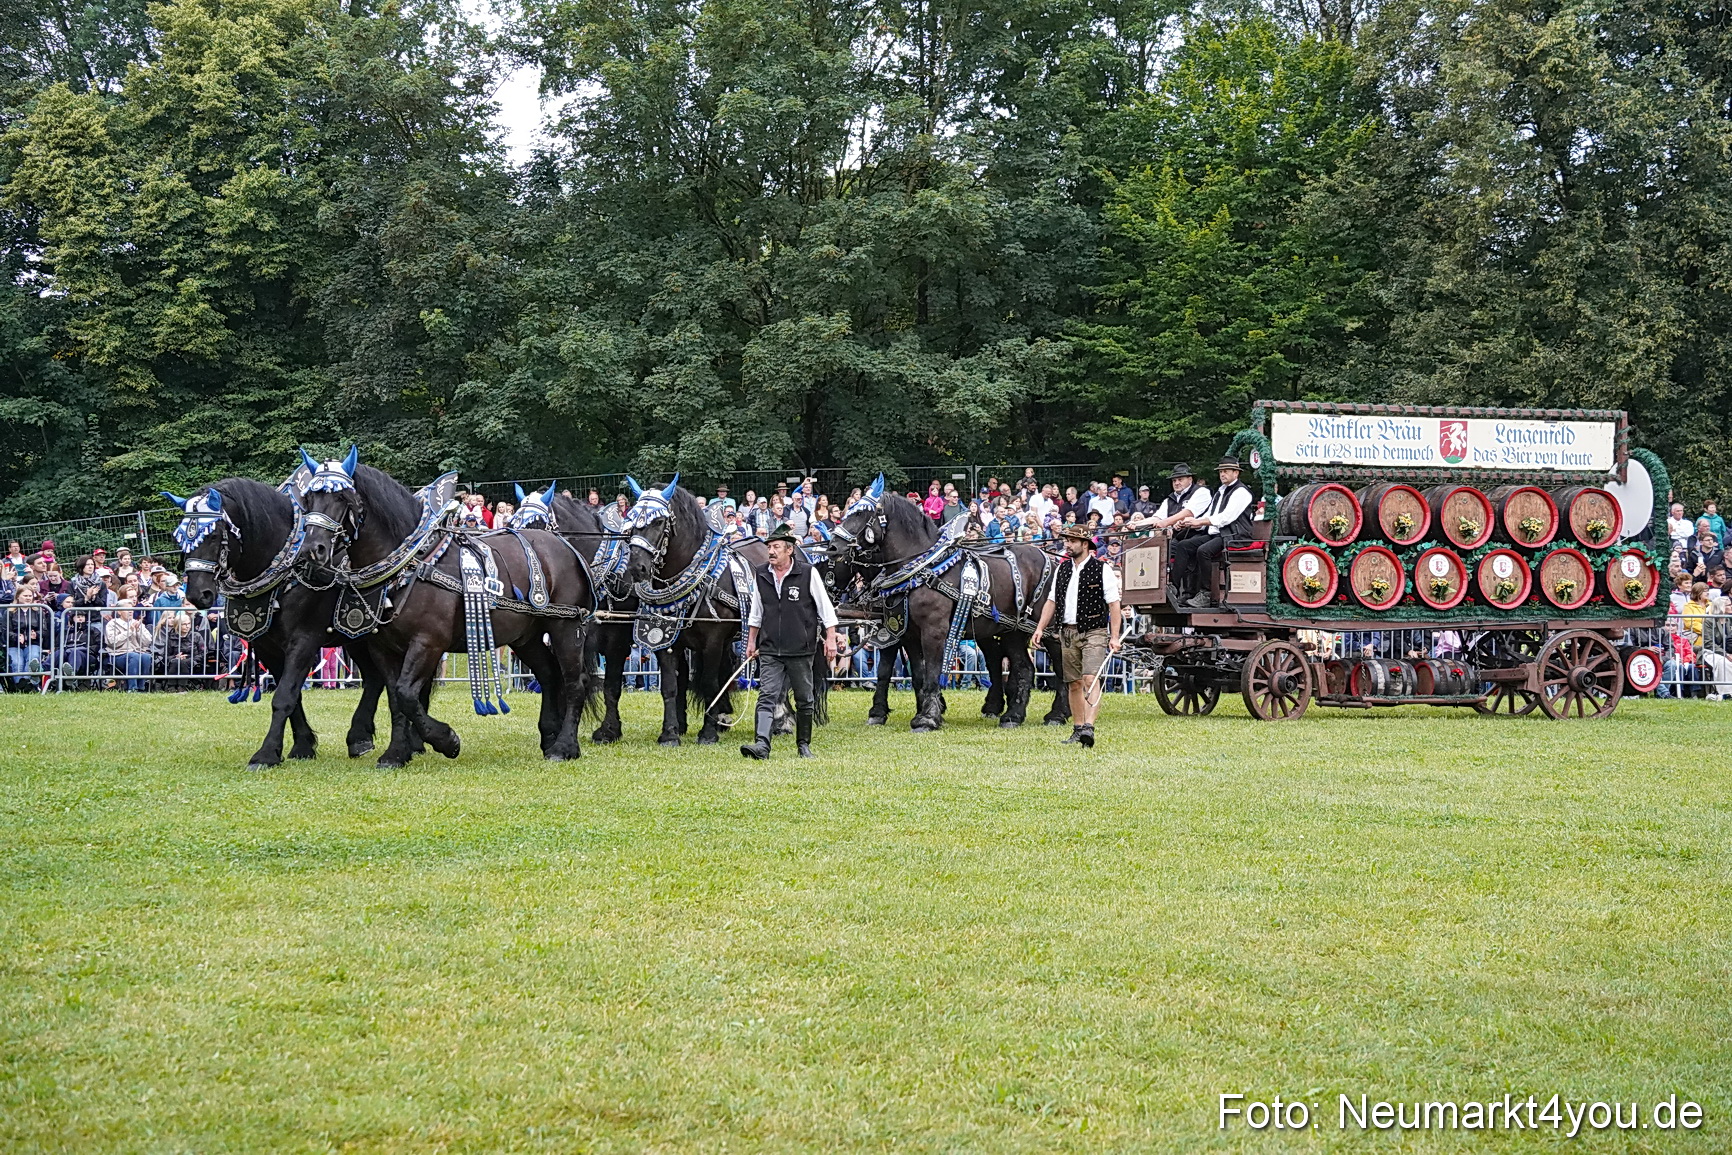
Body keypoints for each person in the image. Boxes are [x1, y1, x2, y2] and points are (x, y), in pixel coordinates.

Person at [741, 524, 839, 760]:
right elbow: (757, 611)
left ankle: (803, 745)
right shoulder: (762, 574)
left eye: (776, 547)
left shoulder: (808, 573)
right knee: (767, 695)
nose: (771, 552)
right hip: (770, 648)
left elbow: (825, 609)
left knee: (805, 698)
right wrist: (751, 641)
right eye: (769, 547)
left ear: (790, 550)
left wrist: (831, 638)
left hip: (801, 648)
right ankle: (762, 745)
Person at [1030, 523, 1122, 748]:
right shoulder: (1062, 569)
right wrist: (1040, 628)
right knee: (1073, 683)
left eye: (1071, 541)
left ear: (1085, 544)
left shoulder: (1102, 569)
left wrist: (1115, 636)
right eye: (1066, 541)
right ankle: (1078, 728)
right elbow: (1051, 601)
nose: (1067, 544)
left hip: (1095, 631)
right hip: (1067, 632)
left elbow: (1114, 605)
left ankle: (1089, 727)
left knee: (1090, 679)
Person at [1168, 455, 1254, 608]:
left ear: (1236, 473)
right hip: (1220, 534)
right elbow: (1211, 515)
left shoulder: (1241, 492)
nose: (1222, 474)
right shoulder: (1220, 491)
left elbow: (1226, 517)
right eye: (1221, 471)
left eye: (1226, 471)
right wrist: (1191, 523)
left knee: (1203, 551)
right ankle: (1175, 588)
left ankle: (1206, 594)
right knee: (1183, 546)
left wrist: (1200, 521)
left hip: (1235, 535)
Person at [103, 599, 154, 691]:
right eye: (127, 609)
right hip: (118, 654)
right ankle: (132, 688)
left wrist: (139, 631)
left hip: (137, 653)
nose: (130, 611)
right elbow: (112, 642)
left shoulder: (137, 623)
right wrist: (129, 631)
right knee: (133, 656)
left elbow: (148, 641)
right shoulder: (112, 624)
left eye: (132, 609)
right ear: (119, 612)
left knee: (146, 657)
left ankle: (141, 688)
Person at [1150, 463, 1211, 538]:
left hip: (1198, 536)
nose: (1176, 483)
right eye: (1174, 480)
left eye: (1180, 479)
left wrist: (1166, 522)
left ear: (1190, 479)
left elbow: (1189, 513)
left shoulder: (1201, 492)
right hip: (1174, 538)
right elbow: (1157, 518)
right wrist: (1136, 523)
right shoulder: (1169, 500)